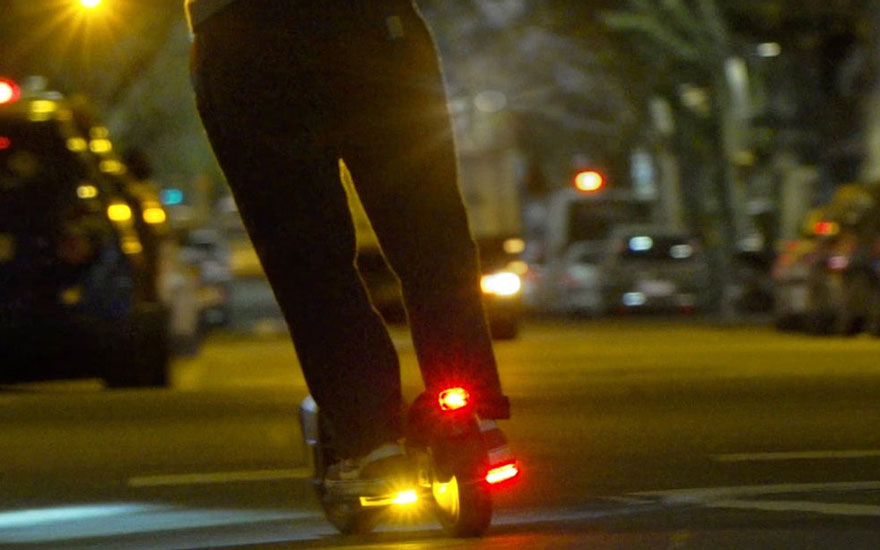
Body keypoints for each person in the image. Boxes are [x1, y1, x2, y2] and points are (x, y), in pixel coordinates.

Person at [186, 0, 510, 489]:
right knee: (430, 230)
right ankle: (469, 407)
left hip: (246, 37)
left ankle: (372, 439)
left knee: (307, 256)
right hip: (374, 26)